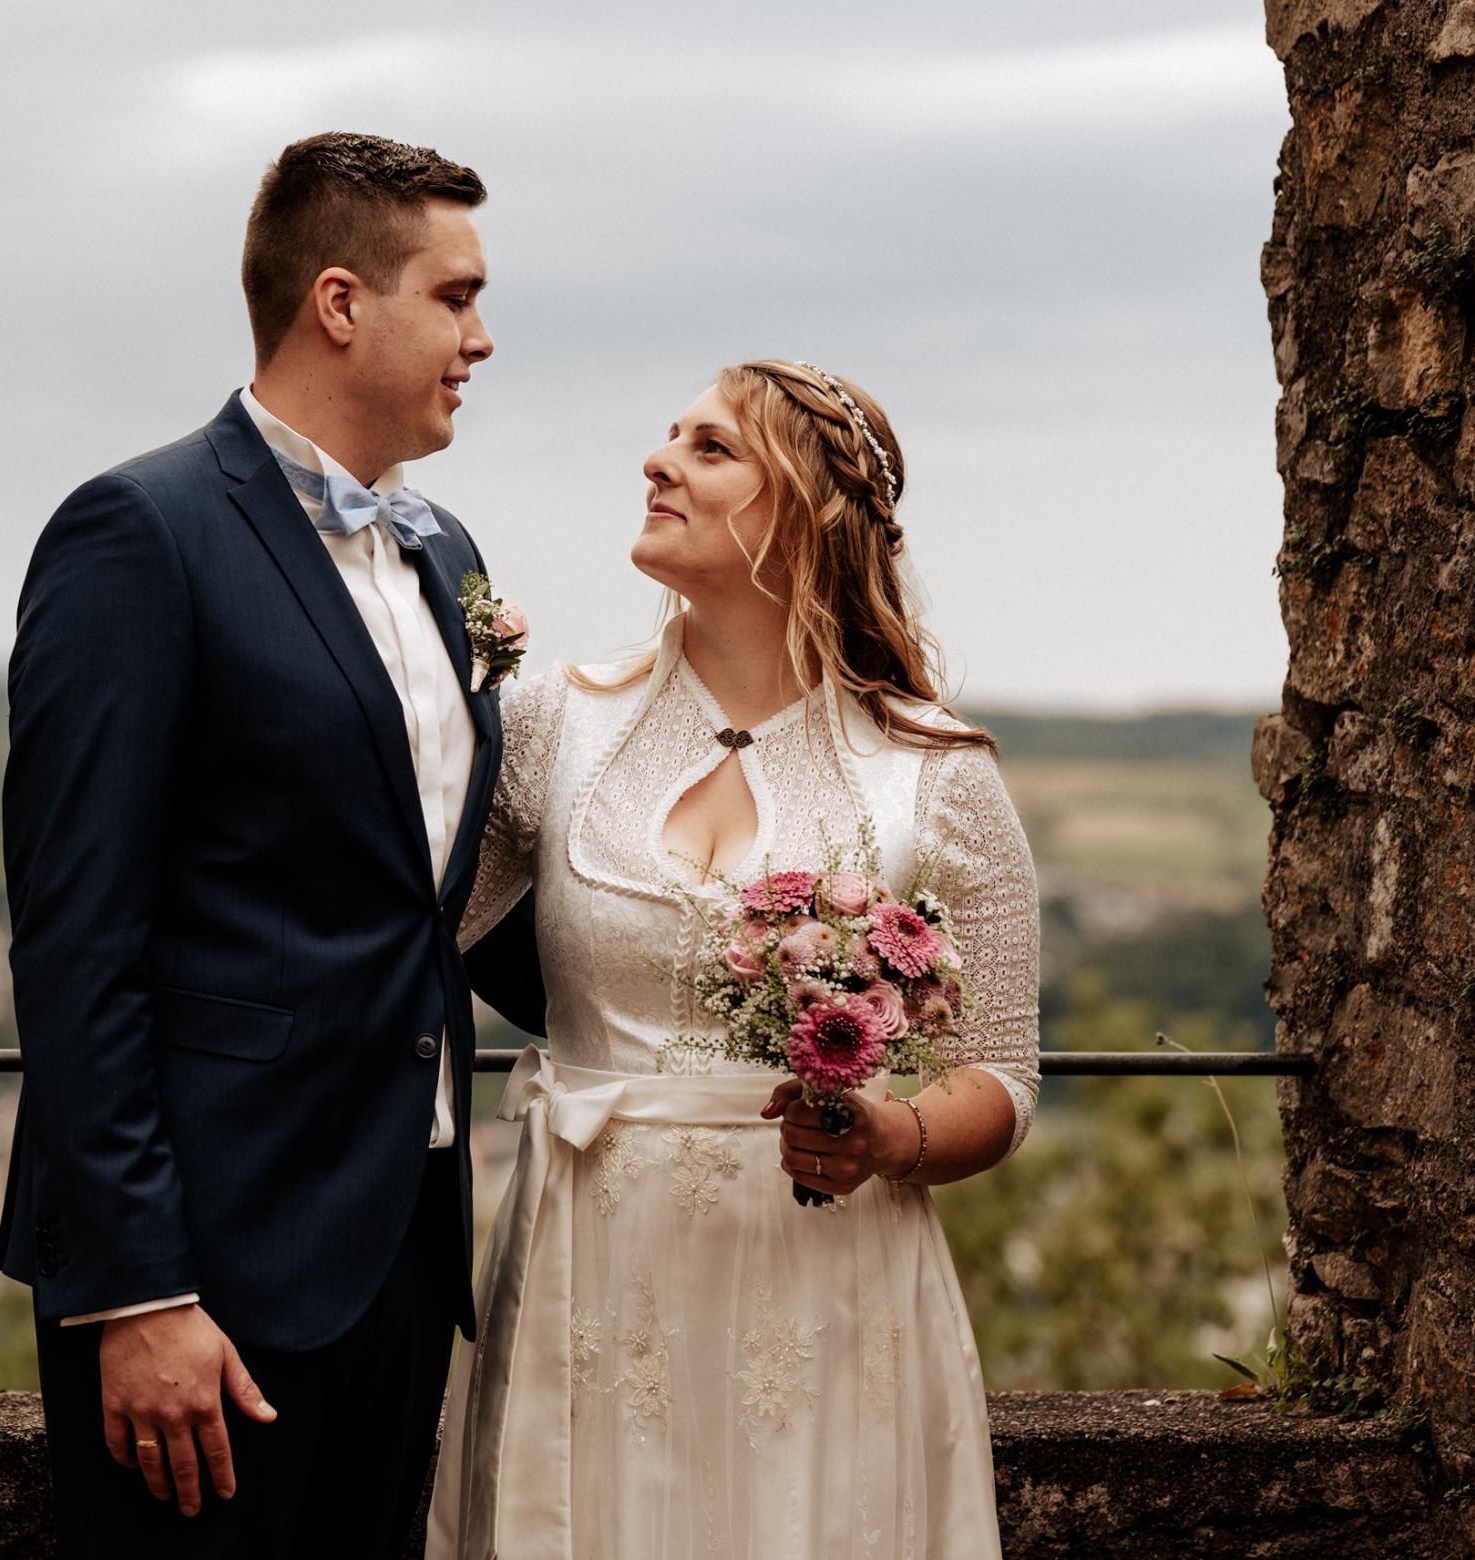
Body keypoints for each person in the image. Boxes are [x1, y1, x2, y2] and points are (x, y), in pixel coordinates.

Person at [0, 131, 543, 1560]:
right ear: (342, 304)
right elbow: (75, 935)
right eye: (457, 296)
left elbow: (430, 893)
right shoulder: (141, 532)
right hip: (210, 1263)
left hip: (405, 1239)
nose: (482, 339)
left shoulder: (446, 554)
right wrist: (135, 1293)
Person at [427, 360, 1040, 1557]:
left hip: (827, 1273)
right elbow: (394, 929)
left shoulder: (938, 772)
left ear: (803, 510)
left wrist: (889, 1137)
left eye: (709, 449)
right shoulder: (558, 720)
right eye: (667, 438)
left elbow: (1003, 1074)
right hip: (587, 1257)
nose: (658, 462)